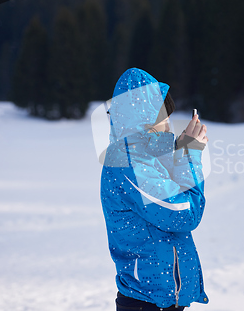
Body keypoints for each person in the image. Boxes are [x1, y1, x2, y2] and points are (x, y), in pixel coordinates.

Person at [100, 68, 209, 310]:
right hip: (147, 303)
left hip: (159, 299)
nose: (169, 123)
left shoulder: (143, 160)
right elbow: (185, 214)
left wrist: (180, 150)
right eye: (163, 115)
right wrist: (189, 155)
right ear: (144, 117)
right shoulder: (129, 164)